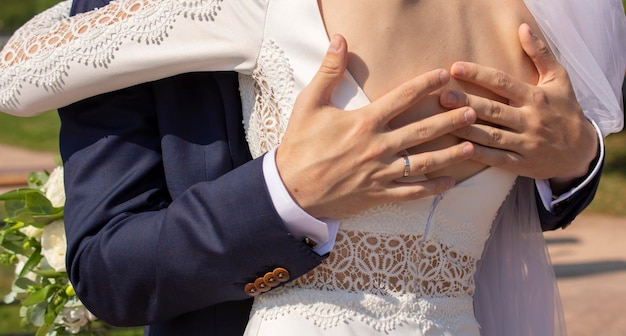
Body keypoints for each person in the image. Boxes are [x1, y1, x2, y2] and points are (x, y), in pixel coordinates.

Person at [0, 0, 623, 335]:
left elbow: (16, 76)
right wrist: (282, 195)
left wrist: (577, 157)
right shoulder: (532, 18)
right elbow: (112, 274)